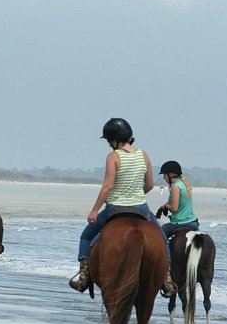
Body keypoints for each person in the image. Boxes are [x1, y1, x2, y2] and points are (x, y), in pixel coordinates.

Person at [69, 118, 176, 296]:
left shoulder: (113, 157)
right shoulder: (144, 155)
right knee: (162, 239)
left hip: (115, 208)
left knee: (86, 237)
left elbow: (108, 186)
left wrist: (95, 209)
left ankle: (83, 277)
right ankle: (166, 278)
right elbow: (149, 185)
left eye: (109, 140)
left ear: (113, 140)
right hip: (140, 208)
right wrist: (134, 195)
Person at [157, 160, 199, 237]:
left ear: (170, 175)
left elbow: (174, 208)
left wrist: (166, 206)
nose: (163, 177)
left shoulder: (175, 187)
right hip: (193, 223)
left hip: (179, 223)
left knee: (158, 235)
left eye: (164, 175)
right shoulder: (184, 184)